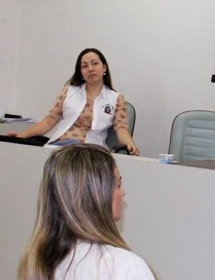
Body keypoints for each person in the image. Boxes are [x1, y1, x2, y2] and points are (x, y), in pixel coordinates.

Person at [18, 144, 155, 279]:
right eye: (118, 185)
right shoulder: (125, 266)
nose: (122, 193)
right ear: (96, 196)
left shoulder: (36, 262)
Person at [8, 48, 139, 155]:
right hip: (61, 147)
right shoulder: (68, 92)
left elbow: (121, 129)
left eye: (95, 63)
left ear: (104, 68)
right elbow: (49, 121)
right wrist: (22, 135)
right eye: (85, 66)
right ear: (81, 72)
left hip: (91, 150)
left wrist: (130, 143)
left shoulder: (116, 98)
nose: (90, 69)